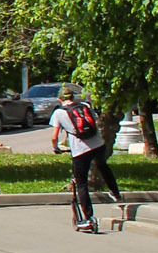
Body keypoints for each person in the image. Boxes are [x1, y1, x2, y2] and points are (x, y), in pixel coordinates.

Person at [48, 85, 113, 233]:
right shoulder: (84, 106)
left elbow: (54, 137)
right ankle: (115, 192)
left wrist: (56, 148)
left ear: (60, 99)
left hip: (80, 151)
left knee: (81, 184)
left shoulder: (59, 112)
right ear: (73, 97)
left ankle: (88, 218)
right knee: (103, 166)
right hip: (98, 144)